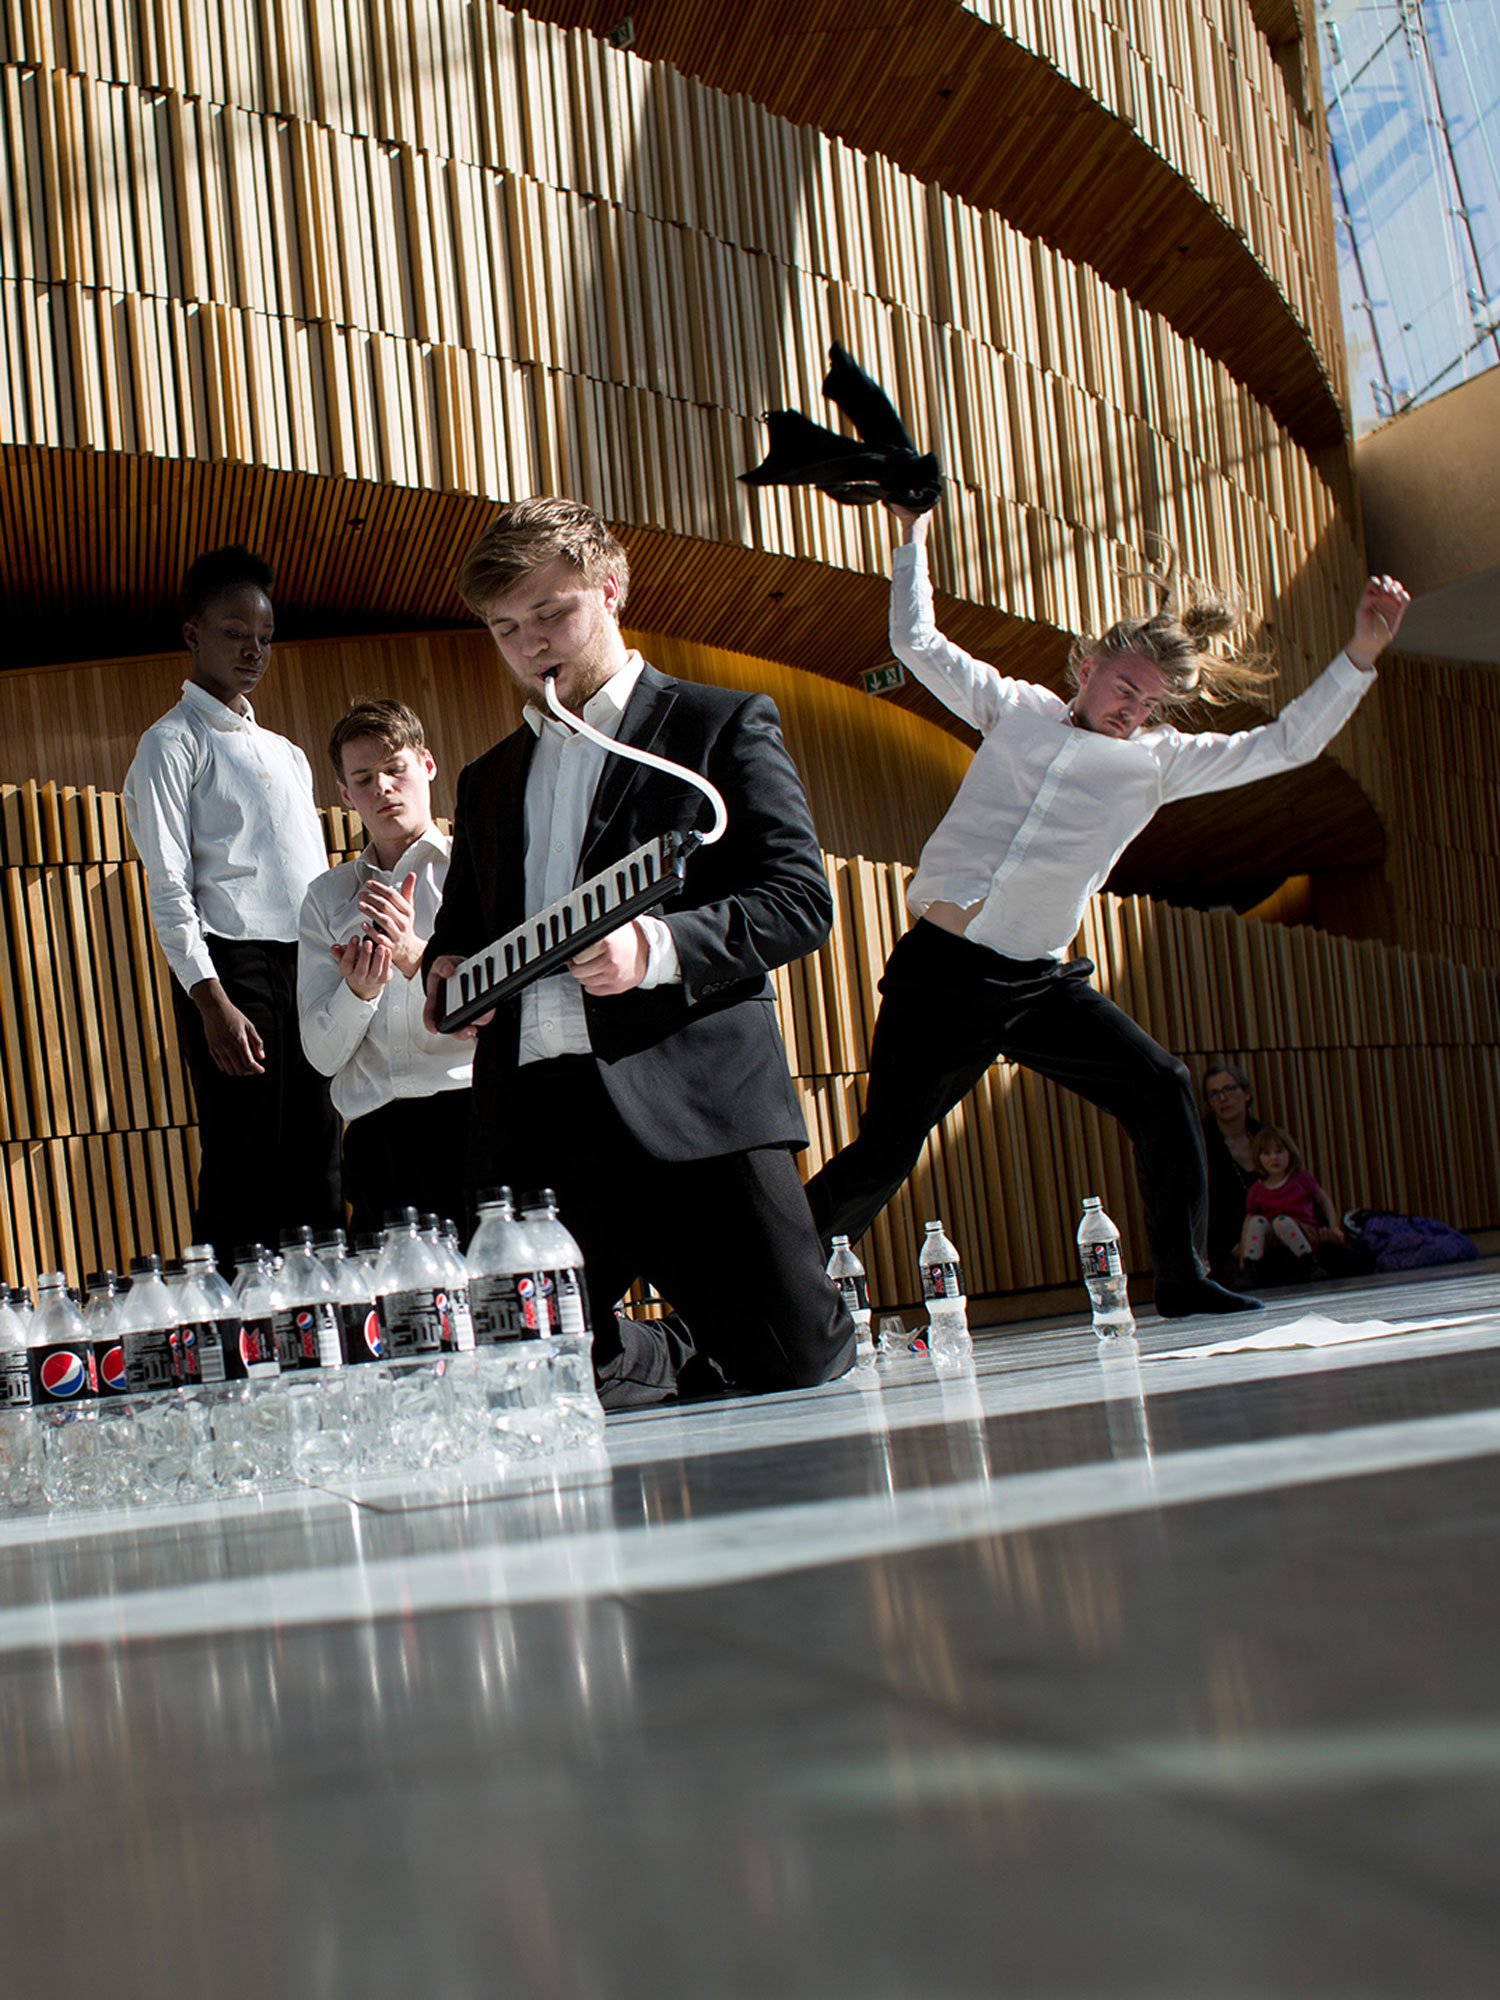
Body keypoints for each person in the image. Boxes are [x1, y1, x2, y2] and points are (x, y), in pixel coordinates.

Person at [804, 501, 1410, 1317]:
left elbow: (1287, 744)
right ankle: (765, 1274)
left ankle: (1186, 1278)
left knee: (1161, 1086)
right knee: (885, 1154)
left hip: (1039, 983)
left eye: (1149, 705)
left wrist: (1361, 654)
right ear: (1085, 665)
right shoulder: (1011, 706)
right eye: (1126, 689)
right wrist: (913, 534)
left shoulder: (1157, 764)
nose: (1134, 712)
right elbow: (916, 643)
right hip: (944, 978)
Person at [421, 496, 855, 1403]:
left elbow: (799, 901)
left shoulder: (718, 726)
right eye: (506, 629)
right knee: (517, 1375)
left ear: (611, 590)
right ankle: (673, 1353)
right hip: (536, 1111)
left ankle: (711, 1335)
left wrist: (654, 948)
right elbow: (461, 929)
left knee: (796, 1358)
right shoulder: (488, 779)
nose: (531, 644)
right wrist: (446, 975)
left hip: (689, 1097)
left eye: (551, 614)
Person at [124, 545, 340, 1261]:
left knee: (318, 1153)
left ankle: (324, 1320)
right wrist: (209, 998)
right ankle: (231, 1338)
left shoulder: (287, 752)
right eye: (234, 632)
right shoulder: (169, 744)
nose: (254, 650)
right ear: (192, 633)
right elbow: (168, 885)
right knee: (245, 1153)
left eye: (265, 637)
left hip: (310, 966)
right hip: (233, 969)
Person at [298, 700, 473, 1236]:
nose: (384, 788)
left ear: (427, 764)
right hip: (376, 1142)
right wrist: (357, 992)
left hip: (472, 1120)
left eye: (395, 768)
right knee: (394, 1317)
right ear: (346, 795)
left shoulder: (475, 870)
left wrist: (415, 955)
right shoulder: (326, 899)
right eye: (364, 778)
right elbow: (322, 1056)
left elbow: (513, 1009)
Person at [1236, 1125, 1350, 1284]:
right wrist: (1243, 1247)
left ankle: (1310, 1261)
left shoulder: (1301, 1179)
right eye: (1267, 1153)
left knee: (1281, 1221)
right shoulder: (1256, 1189)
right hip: (1274, 1239)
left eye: (1279, 1152)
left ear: (1290, 1152)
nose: (1274, 1158)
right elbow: (1249, 1219)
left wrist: (1333, 1226)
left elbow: (1324, 1200)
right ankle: (1249, 1268)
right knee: (1257, 1221)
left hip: (1303, 1232)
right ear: (1258, 1158)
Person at [1201, 1060, 1264, 1284]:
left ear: (1246, 1094)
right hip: (1223, 1243)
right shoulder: (1203, 1144)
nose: (1222, 1098)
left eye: (1228, 1089)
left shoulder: (1265, 1137)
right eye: (1214, 1093)